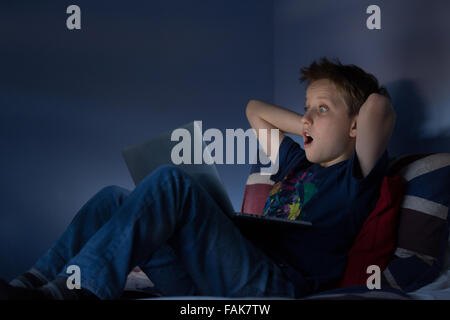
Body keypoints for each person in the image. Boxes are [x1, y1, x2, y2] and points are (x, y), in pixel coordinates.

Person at [0, 57, 396, 300]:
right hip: (218, 276)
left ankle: (78, 291)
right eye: (305, 107)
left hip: (273, 286)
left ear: (357, 127)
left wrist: (341, 121)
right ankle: (33, 282)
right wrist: (315, 122)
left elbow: (378, 104)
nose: (306, 117)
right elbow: (254, 110)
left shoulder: (354, 174)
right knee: (111, 198)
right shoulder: (295, 163)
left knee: (170, 182)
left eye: (321, 108)